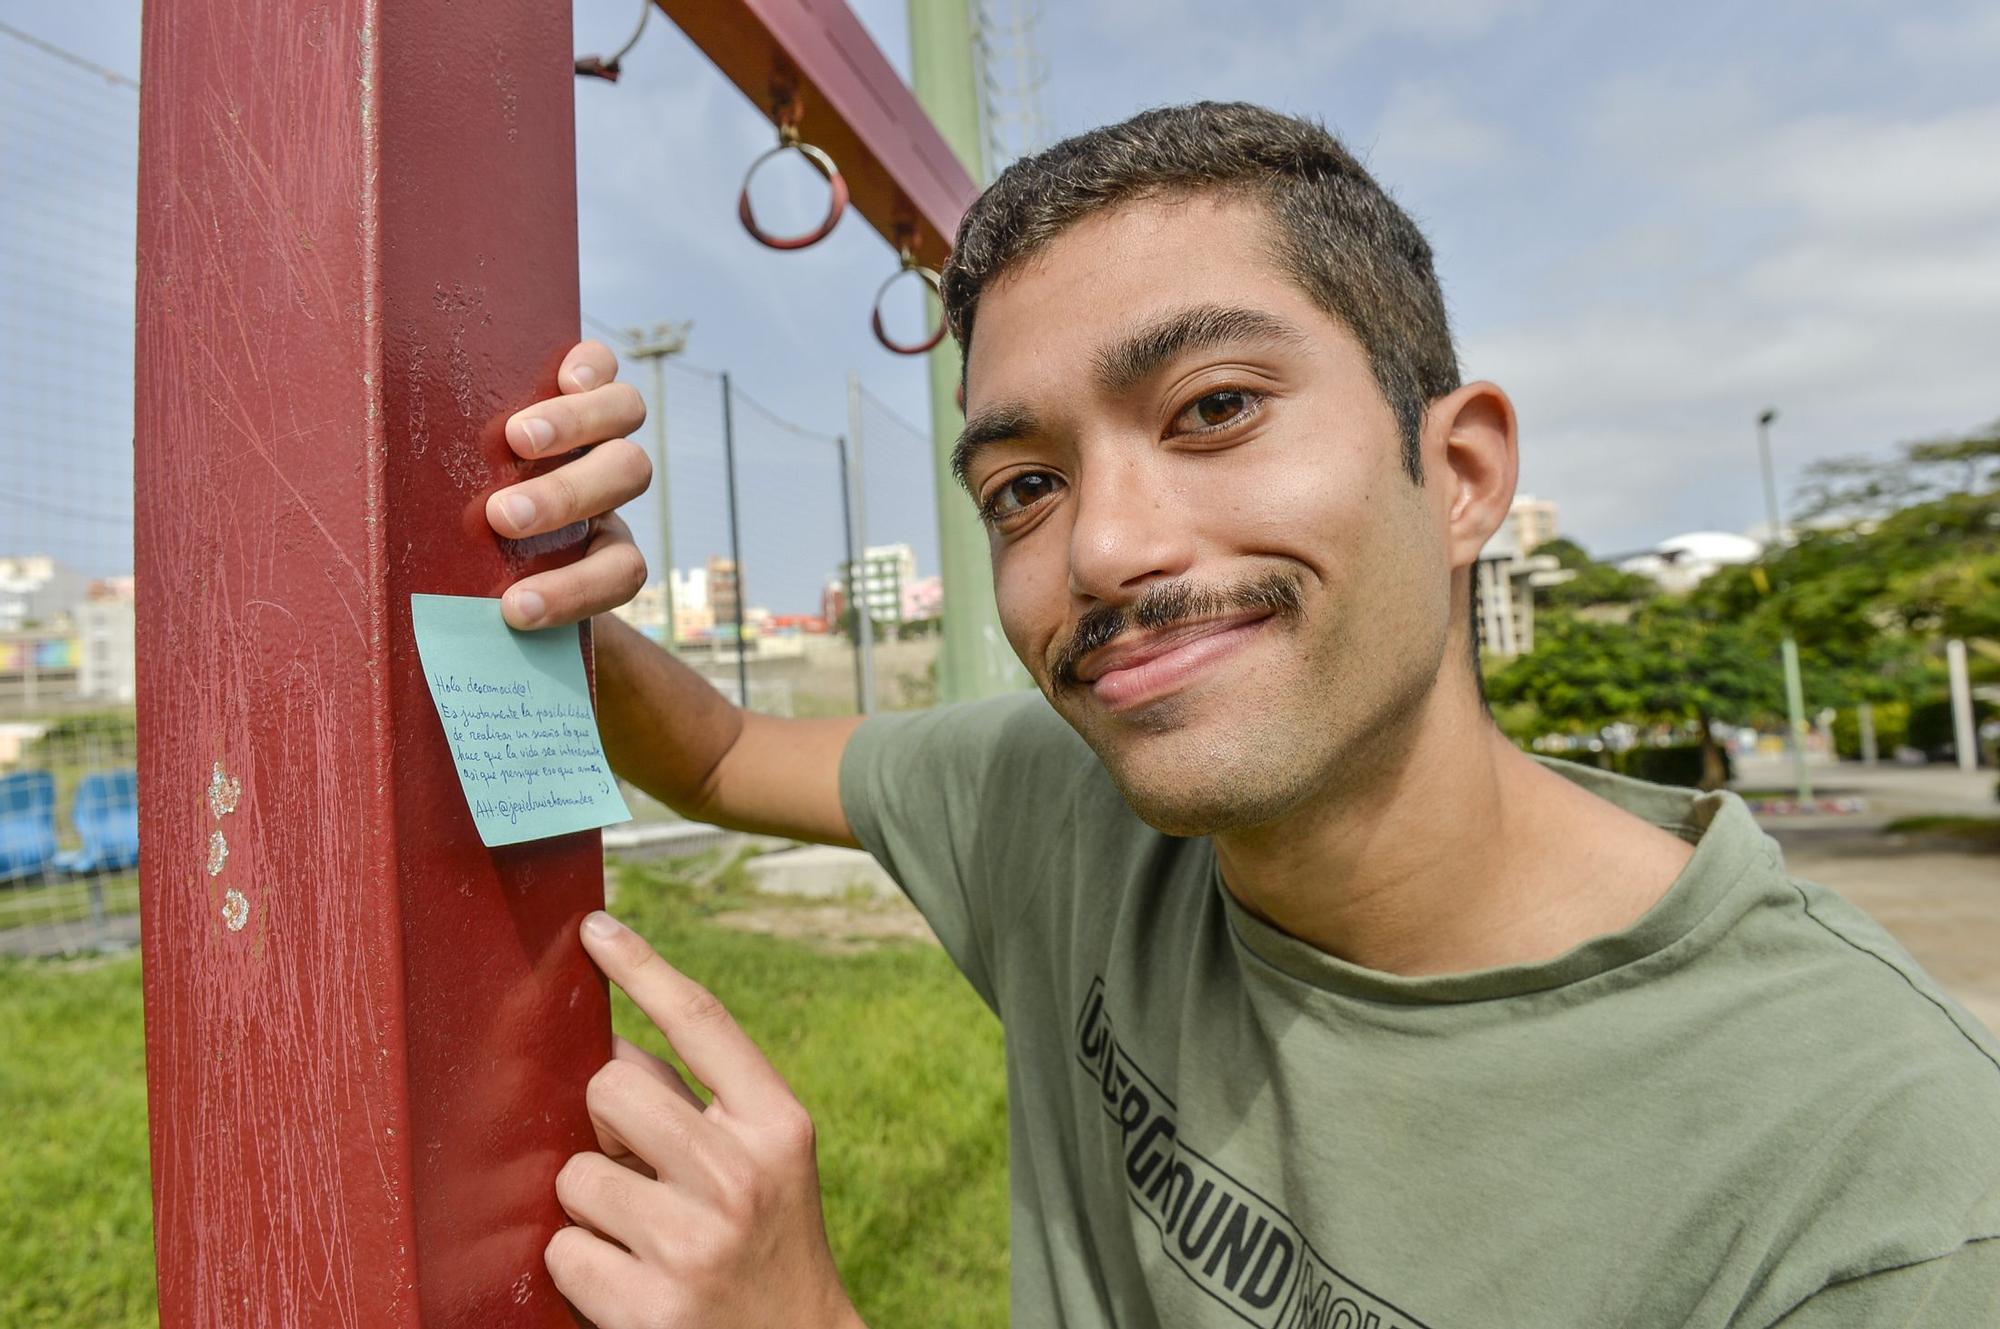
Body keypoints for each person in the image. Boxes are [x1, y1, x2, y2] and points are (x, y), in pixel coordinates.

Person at [483, 103, 2000, 1328]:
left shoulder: (1882, 1192)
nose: (1105, 548)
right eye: (1026, 485)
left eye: (1214, 409)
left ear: (1461, 475)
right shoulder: (1061, 806)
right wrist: (539, 575)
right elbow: (725, 750)